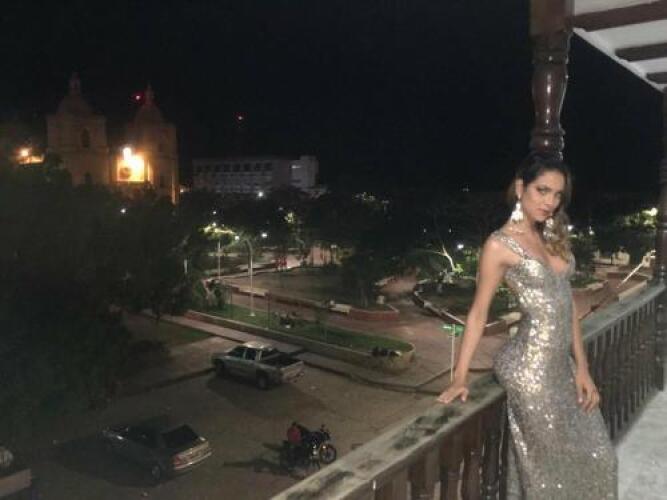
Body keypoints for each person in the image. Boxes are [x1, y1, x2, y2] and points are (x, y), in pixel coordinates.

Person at [437, 154, 616, 499]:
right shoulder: (500, 244)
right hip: (528, 369)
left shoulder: (551, 235)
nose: (550, 202)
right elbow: (478, 314)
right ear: (521, 188)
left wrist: (583, 368)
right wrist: (459, 377)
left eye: (557, 195)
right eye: (542, 190)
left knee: (601, 458)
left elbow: (566, 306)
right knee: (547, 471)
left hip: (561, 367)